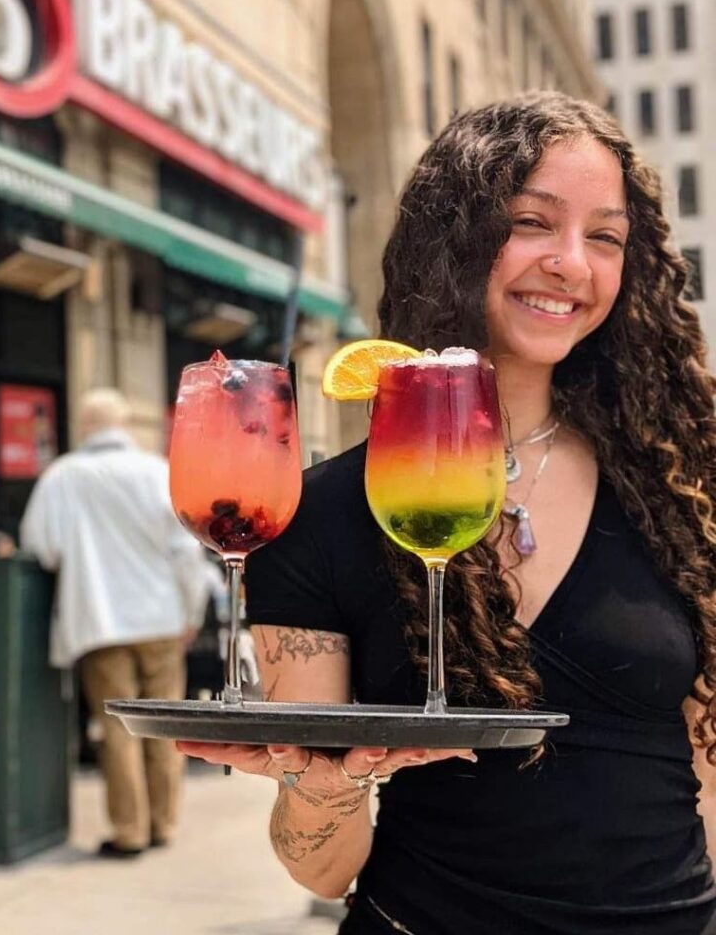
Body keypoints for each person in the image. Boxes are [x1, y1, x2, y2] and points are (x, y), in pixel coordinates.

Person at [178, 92, 716, 934]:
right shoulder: (321, 514)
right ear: (455, 240)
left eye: (604, 237)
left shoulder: (681, 491)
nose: (571, 263)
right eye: (532, 222)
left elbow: (710, 780)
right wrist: (325, 783)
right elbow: (320, 863)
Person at [20, 387, 215, 858]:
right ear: (125, 424)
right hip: (163, 619)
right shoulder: (157, 473)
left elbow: (39, 547)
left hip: (100, 621)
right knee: (164, 726)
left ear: (84, 426)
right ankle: (164, 823)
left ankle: (129, 831)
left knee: (118, 731)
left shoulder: (63, 476)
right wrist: (191, 614)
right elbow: (186, 551)